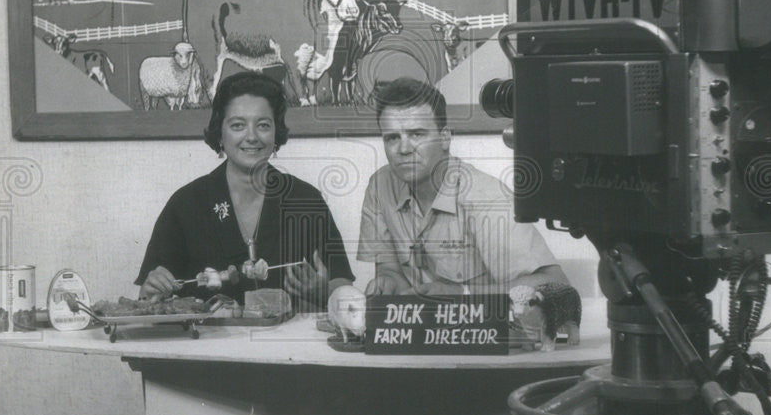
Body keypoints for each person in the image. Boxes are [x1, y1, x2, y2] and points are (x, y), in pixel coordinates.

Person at [137, 72, 354, 309]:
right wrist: (152, 291)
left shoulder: (305, 199)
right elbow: (149, 298)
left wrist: (324, 293)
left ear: (276, 133)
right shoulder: (185, 203)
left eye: (263, 125)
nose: (251, 137)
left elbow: (342, 282)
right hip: (206, 343)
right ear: (220, 132)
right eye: (238, 125)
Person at [358, 77, 568, 297]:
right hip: (421, 328)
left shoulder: (486, 198)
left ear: (445, 138)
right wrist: (387, 282)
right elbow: (389, 269)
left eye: (416, 134)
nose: (403, 148)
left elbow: (557, 286)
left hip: (488, 328)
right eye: (392, 138)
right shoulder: (379, 186)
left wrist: (462, 293)